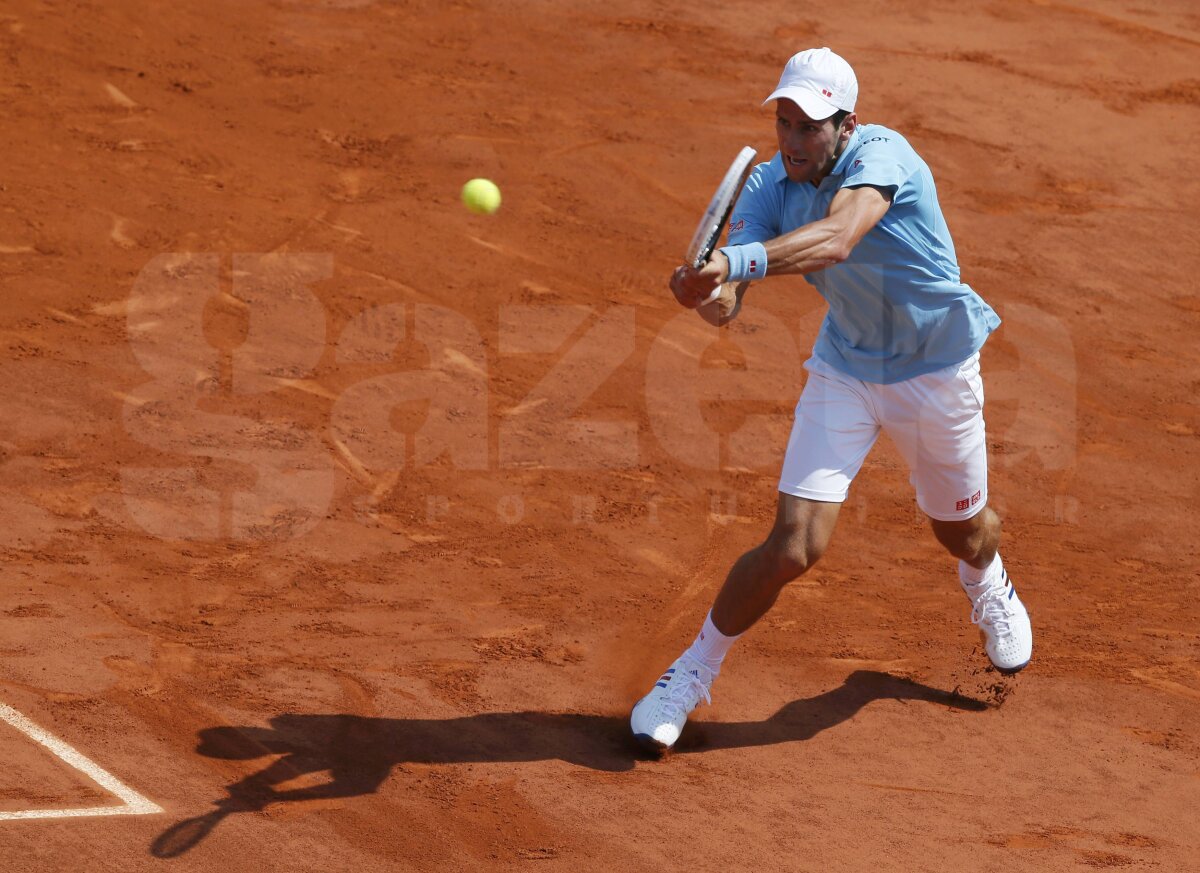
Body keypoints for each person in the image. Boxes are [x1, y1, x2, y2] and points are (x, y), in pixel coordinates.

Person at [631, 47, 1032, 752]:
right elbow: (729, 302)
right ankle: (690, 673)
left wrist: (735, 263)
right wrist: (706, 292)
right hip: (845, 370)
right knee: (792, 546)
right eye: (784, 120)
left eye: (808, 125)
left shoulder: (885, 154)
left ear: (846, 124)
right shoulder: (766, 183)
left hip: (938, 371)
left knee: (962, 531)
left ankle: (985, 577)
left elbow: (838, 238)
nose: (792, 140)